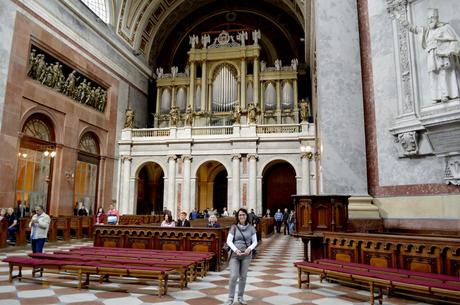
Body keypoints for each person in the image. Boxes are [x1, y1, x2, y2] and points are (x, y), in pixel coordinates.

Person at [401, 8, 460, 103]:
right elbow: (413, 28)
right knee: (433, 75)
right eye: (429, 18)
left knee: (443, 73)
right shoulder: (426, 30)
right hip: (431, 55)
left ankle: (446, 94)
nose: (430, 20)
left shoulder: (445, 27)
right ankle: (436, 96)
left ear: (437, 17)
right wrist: (401, 19)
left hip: (443, 55)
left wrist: (451, 50)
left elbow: (455, 40)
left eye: (432, 17)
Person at [224, 208, 257, 305]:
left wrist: (249, 249)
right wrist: (235, 250)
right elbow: (229, 241)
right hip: (235, 255)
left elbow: (255, 241)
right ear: (237, 217)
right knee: (234, 276)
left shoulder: (251, 228)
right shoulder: (234, 227)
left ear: (247, 216)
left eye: (243, 215)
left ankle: (240, 297)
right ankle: (230, 298)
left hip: (246, 255)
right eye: (240, 215)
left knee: (243, 277)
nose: (242, 216)